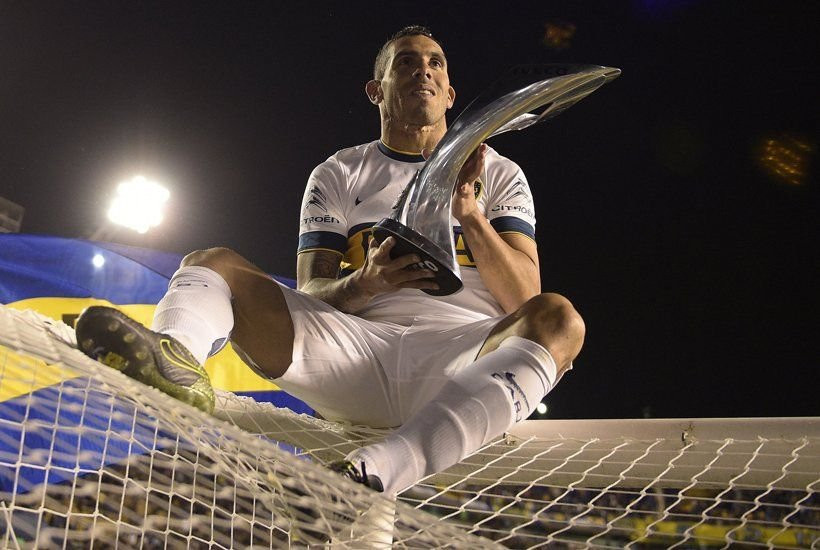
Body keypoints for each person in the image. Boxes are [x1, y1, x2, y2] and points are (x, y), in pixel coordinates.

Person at [76, 25, 585, 497]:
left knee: (560, 319)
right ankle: (175, 362)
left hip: (461, 357)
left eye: (435, 63)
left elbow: (525, 297)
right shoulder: (339, 172)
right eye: (406, 62)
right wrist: (366, 283)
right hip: (354, 354)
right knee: (213, 263)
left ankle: (374, 472)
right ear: (376, 90)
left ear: (450, 93)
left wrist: (468, 211)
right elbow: (312, 291)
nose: (423, 71)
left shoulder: (499, 172)